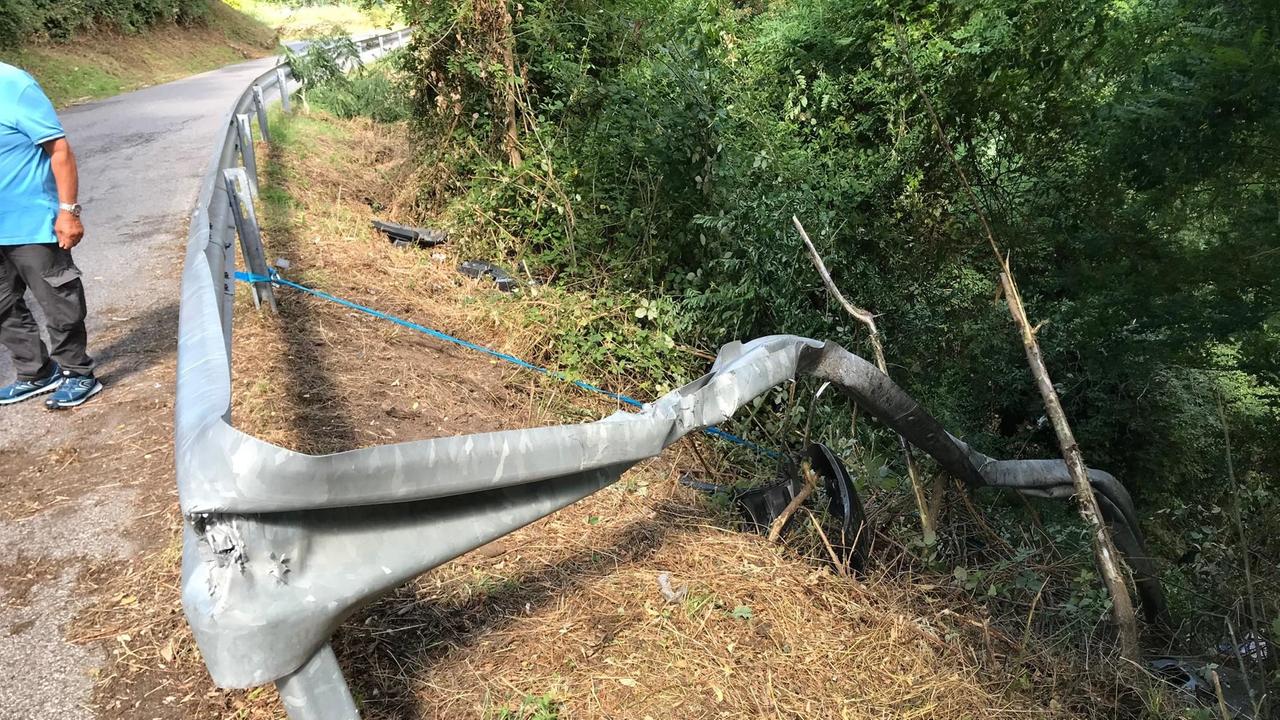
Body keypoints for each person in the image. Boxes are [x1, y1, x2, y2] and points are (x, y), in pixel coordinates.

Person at [0, 62, 102, 408]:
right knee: (2, 306)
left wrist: (68, 211)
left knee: (58, 302)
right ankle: (36, 372)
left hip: (30, 221)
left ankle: (78, 372)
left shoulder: (13, 85)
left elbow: (59, 150)